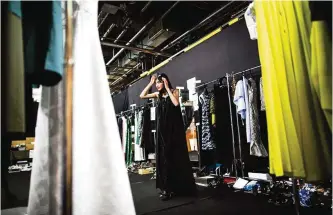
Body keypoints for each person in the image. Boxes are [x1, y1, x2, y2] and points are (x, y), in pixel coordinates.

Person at [140, 73, 197, 201]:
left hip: (173, 132)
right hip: (162, 132)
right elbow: (142, 95)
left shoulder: (174, 91)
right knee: (163, 159)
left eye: (159, 82)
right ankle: (166, 188)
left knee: (174, 157)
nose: (157, 85)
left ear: (165, 82)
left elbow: (176, 104)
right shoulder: (157, 95)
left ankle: (174, 189)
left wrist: (167, 87)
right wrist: (150, 83)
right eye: (156, 83)